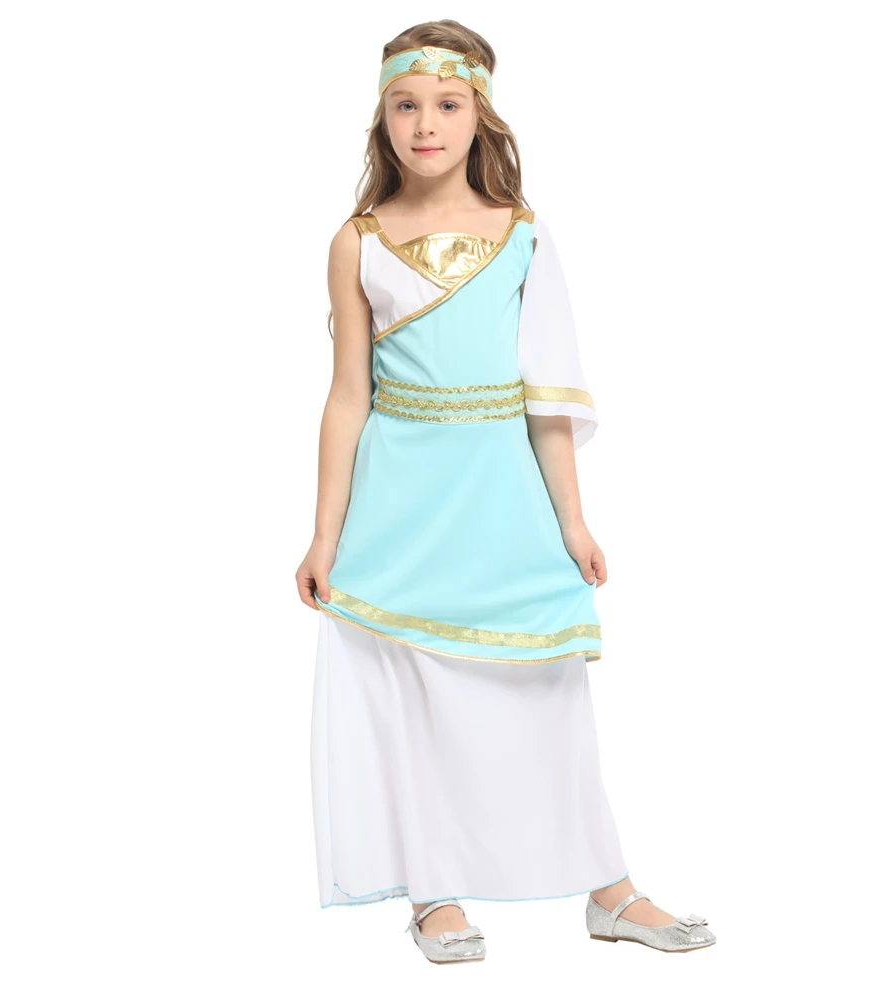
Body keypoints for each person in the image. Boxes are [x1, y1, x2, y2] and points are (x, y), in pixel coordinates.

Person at [296, 19, 716, 964]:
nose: (425, 124)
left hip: (502, 495)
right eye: (406, 105)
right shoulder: (357, 241)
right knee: (415, 696)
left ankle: (610, 889)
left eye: (447, 105)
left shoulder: (522, 233)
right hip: (400, 506)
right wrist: (324, 534)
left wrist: (574, 521)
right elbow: (348, 396)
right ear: (382, 118)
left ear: (480, 115)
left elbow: (547, 396)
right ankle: (434, 892)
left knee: (547, 688)